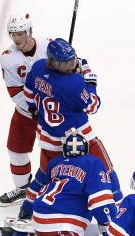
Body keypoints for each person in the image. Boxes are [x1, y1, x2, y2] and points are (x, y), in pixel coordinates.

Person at [19, 38, 122, 220]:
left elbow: (28, 97)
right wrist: (89, 80)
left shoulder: (38, 67)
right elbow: (93, 106)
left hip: (48, 139)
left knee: (44, 176)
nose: (71, 65)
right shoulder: (73, 83)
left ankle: (26, 210)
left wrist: (39, 108)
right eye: (66, 62)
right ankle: (120, 213)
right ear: (54, 61)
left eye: (71, 60)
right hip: (80, 139)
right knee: (106, 172)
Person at [0, 131, 117, 236]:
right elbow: (101, 201)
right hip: (61, 223)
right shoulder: (93, 163)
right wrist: (110, 231)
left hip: (43, 214)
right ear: (86, 148)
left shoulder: (54, 162)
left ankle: (18, 235)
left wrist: (26, 208)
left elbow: (36, 186)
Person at [0, 12, 50, 206]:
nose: (17, 38)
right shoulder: (7, 58)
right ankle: (22, 190)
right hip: (26, 113)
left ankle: (57, 190)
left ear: (29, 31)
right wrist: (33, 106)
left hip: (52, 113)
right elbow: (14, 91)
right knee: (16, 149)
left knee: (54, 152)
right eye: (13, 34)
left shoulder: (47, 45)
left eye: (20, 33)